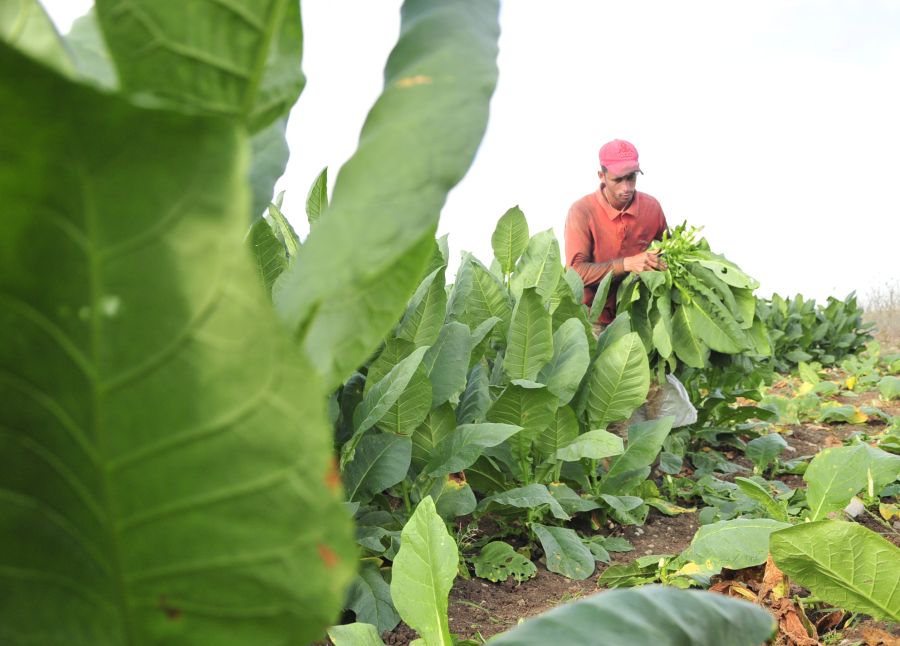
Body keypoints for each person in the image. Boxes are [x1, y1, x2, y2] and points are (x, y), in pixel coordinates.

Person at [564, 139, 668, 336]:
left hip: (637, 321)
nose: (626, 188)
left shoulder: (652, 208)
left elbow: (666, 252)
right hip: (592, 321)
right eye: (618, 180)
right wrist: (627, 264)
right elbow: (576, 273)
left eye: (631, 178)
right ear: (601, 176)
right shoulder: (582, 211)